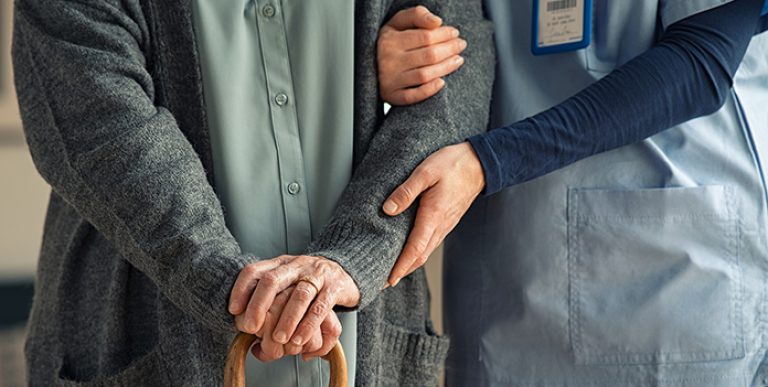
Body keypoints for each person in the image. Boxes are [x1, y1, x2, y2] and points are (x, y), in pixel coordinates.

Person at [12, 1, 494, 386]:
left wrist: (355, 257)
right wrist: (240, 289)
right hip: (145, 348)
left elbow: (455, 84)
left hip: (368, 347)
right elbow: (101, 127)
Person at [377, 0, 768, 385]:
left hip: (672, 278)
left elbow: (701, 63)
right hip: (509, 277)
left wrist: (490, 161)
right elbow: (427, 26)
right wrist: (389, 61)